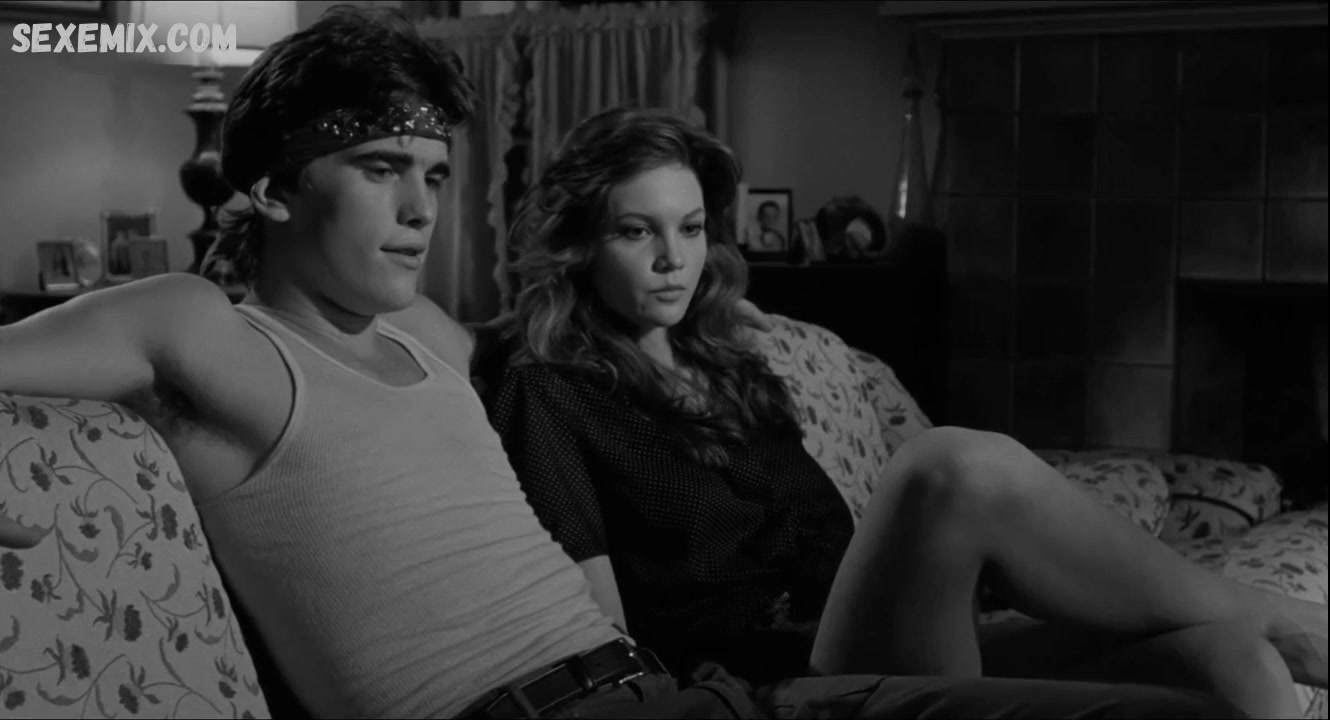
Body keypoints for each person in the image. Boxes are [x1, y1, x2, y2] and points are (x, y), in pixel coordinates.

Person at [0, 8, 1255, 720]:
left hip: (684, 694)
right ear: (274, 187)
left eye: (434, 174)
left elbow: (562, 354)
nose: (422, 209)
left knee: (1191, 703)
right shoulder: (201, 325)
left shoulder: (429, 336)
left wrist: (688, 315)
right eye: (380, 171)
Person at [481, 106, 1328, 719]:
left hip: (877, 634)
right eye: (637, 232)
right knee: (945, 467)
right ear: (580, 243)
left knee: (1234, 666)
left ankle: (1260, 627)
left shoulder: (729, 360)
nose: (675, 259)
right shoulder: (547, 389)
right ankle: (1283, 616)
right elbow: (602, 635)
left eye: (692, 228)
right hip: (770, 684)